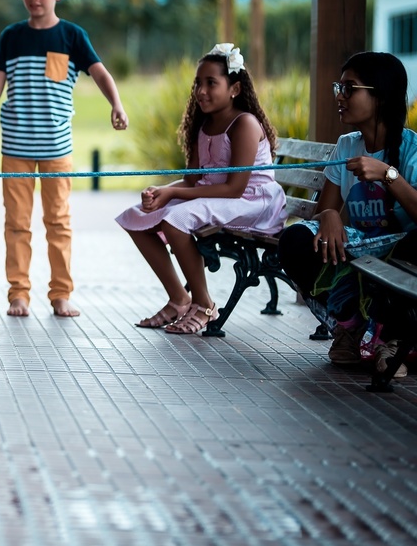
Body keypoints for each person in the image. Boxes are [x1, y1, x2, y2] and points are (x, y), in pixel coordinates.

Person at [0, 0, 127, 318]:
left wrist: (116, 104)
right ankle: (18, 294)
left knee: (58, 222)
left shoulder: (72, 36)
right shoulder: (12, 36)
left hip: (57, 148)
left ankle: (60, 294)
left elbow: (100, 73)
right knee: (17, 224)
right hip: (16, 147)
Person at [116, 44, 287, 334]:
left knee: (175, 220)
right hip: (220, 197)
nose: (201, 91)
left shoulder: (243, 123)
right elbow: (194, 182)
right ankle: (179, 298)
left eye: (211, 83)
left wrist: (174, 195)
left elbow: (234, 188)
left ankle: (205, 304)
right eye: (198, 83)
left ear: (234, 88)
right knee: (135, 217)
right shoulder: (203, 124)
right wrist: (163, 191)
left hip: (252, 203)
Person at [278, 51, 417, 375]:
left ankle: (391, 339)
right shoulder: (346, 145)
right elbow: (328, 206)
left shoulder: (411, 149)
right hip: (362, 245)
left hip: (402, 247)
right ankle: (351, 327)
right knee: (296, 238)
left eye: (349, 88)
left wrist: (387, 174)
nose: (340, 96)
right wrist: (329, 215)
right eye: (338, 87)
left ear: (380, 95)